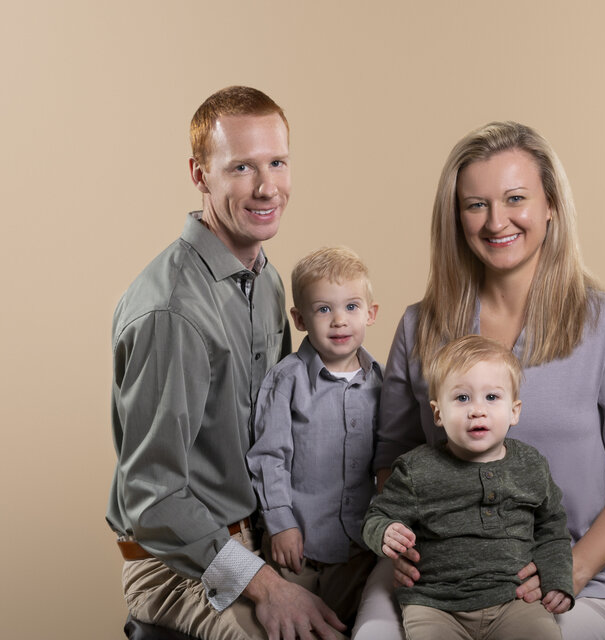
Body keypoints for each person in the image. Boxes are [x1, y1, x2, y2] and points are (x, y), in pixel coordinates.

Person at [352, 121, 605, 640]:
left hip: (557, 582)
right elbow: (393, 459)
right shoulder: (420, 326)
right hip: (434, 583)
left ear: (550, 205)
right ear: (456, 216)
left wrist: (572, 568)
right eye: (476, 204)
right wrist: (399, 546)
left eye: (515, 198)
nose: (495, 221)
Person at [107, 86, 347, 640]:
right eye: (241, 167)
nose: (267, 187)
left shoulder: (264, 279)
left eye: (277, 163)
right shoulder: (172, 311)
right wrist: (265, 584)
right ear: (200, 174)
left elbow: (280, 421)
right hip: (177, 562)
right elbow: (153, 497)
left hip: (261, 531)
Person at [361, 335, 573, 640]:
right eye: (462, 398)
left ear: (514, 411)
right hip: (435, 605)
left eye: (491, 397)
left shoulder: (530, 464)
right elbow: (377, 515)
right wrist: (384, 531)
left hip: (514, 600)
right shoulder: (416, 469)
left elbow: (553, 527)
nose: (477, 410)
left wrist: (557, 578)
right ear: (438, 413)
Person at [247, 246, 382, 628]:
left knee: (351, 627)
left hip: (358, 549)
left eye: (352, 307)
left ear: (371, 314)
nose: (339, 321)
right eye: (324, 309)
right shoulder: (286, 380)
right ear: (300, 318)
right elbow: (269, 456)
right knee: (298, 629)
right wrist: (281, 523)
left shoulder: (382, 381)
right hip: (298, 549)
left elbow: (388, 455)